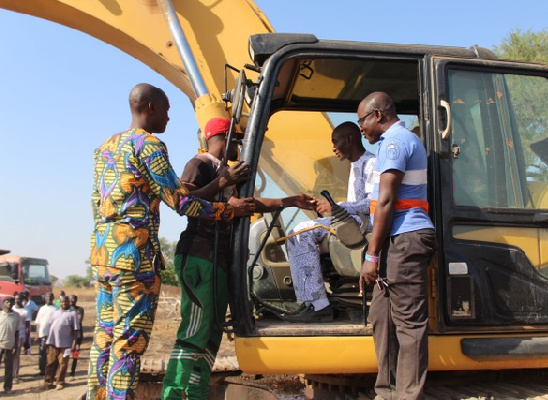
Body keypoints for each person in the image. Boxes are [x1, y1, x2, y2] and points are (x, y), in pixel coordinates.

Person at [88, 84, 248, 400]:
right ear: (150, 107)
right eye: (166, 110)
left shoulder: (105, 147)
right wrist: (226, 210)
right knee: (129, 341)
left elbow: (97, 201)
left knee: (104, 337)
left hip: (102, 256)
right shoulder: (149, 146)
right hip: (135, 258)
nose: (169, 118)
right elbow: (181, 202)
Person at [161, 117, 316, 400]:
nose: (241, 146)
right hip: (200, 255)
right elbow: (184, 200)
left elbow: (247, 206)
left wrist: (288, 201)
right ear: (224, 136)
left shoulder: (226, 170)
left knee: (211, 335)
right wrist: (223, 182)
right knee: (195, 330)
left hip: (219, 260)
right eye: (238, 139)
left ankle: (195, 394)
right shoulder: (201, 165)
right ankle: (173, 395)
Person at [357, 92, 436, 400]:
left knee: (408, 325)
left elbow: (387, 201)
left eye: (361, 120)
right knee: (382, 318)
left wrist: (372, 256)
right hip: (394, 239)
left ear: (378, 115)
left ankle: (406, 396)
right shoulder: (393, 143)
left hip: (404, 238)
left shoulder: (393, 143)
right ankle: (386, 392)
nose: (360, 127)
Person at [283, 121, 375, 323]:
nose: (333, 147)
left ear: (349, 139)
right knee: (300, 231)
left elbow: (374, 204)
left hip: (366, 225)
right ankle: (310, 301)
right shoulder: (355, 166)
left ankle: (319, 306)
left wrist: (336, 207)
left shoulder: (371, 164)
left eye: (336, 141)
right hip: (353, 220)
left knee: (299, 233)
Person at [44, 295, 80, 390]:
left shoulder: (73, 313)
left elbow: (76, 330)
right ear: (60, 302)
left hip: (66, 344)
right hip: (52, 342)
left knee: (63, 364)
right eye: (62, 302)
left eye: (66, 302)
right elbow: (49, 326)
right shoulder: (55, 312)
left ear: (68, 302)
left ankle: (60, 382)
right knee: (50, 363)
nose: (64, 303)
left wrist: (74, 343)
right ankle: (48, 382)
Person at [34, 292, 57, 375]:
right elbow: (38, 322)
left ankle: (51, 369)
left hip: (53, 334)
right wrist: (37, 334)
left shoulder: (56, 308)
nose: (49, 298)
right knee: (42, 352)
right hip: (42, 334)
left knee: (52, 352)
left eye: (50, 297)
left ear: (53, 298)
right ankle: (42, 370)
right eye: (47, 297)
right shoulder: (42, 309)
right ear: (45, 298)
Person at [0, 297, 19, 394]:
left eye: (11, 302)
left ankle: (7, 388)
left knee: (9, 368)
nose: (9, 304)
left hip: (10, 345)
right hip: (0, 344)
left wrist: (15, 346)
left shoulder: (16, 316)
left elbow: (17, 332)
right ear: (3, 303)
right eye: (7, 302)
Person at [12, 292, 29, 383]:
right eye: (15, 298)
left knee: (16, 356)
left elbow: (27, 326)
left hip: (20, 336)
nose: (17, 300)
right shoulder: (11, 309)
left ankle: (15, 375)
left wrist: (27, 341)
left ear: (22, 300)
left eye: (19, 299)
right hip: (9, 336)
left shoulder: (25, 311)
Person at [69, 295, 84, 377]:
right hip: (68, 334)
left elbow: (79, 320)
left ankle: (73, 370)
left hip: (78, 334)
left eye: (73, 299)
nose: (72, 300)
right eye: (70, 299)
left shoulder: (80, 309)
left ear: (76, 300)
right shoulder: (67, 310)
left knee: (76, 352)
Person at [22, 289, 38, 354]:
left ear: (28, 296)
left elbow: (37, 309)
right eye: (23, 295)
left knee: (27, 336)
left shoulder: (31, 303)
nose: (24, 296)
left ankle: (27, 350)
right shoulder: (21, 302)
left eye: (26, 295)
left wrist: (32, 314)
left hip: (27, 322)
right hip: (20, 322)